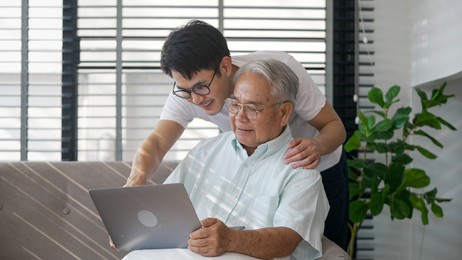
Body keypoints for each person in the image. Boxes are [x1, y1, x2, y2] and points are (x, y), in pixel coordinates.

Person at [126, 20, 348, 250]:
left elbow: (334, 126)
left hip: (312, 161)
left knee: (326, 245)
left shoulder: (280, 71)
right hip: (252, 164)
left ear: (225, 65)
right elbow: (157, 142)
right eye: (185, 90)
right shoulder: (190, 95)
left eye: (201, 87)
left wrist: (317, 147)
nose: (195, 100)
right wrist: (136, 180)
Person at [163, 59, 329, 259]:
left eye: (252, 108)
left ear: (284, 112)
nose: (239, 117)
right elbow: (163, 206)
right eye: (235, 104)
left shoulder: (301, 169)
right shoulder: (205, 151)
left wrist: (231, 239)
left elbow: (287, 240)